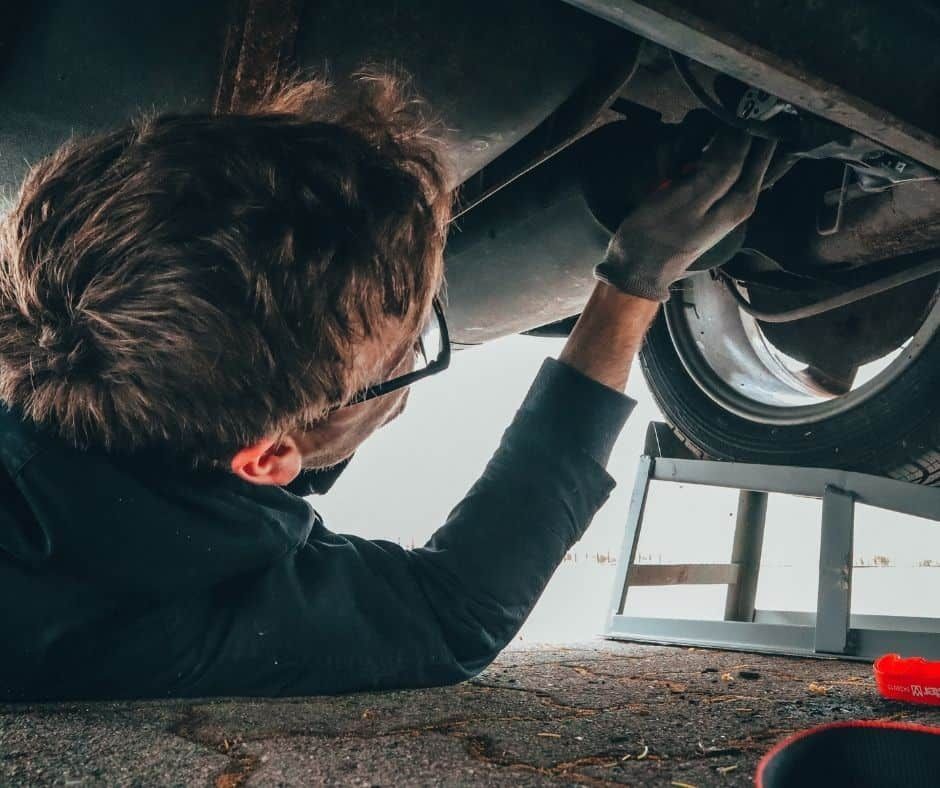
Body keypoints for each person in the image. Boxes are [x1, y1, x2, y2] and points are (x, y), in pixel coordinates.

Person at [0, 75, 774, 700]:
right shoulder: (152, 625)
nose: (410, 361)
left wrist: (633, 279)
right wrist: (632, 282)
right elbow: (453, 613)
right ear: (266, 456)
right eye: (408, 351)